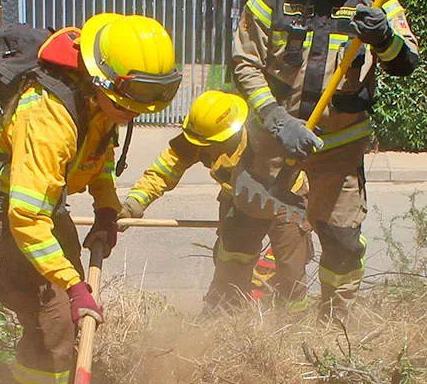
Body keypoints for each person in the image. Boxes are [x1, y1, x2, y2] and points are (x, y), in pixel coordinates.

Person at [0, 13, 179, 384]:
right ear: (104, 80)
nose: (135, 113)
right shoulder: (48, 117)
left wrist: (106, 208)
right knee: (52, 318)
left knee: (68, 312)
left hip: (41, 198)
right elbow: (26, 217)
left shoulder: (102, 101)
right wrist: (73, 287)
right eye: (131, 101)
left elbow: (98, 157)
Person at [232, 0, 418, 320]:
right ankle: (225, 311)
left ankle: (335, 327)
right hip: (274, 145)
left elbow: (406, 61)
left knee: (342, 240)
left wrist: (384, 37)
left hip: (338, 150)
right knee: (243, 229)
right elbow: (244, 65)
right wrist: (277, 120)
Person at [119, 91, 311, 312]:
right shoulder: (199, 136)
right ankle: (226, 316)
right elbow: (164, 171)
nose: (206, 149)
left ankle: (293, 322)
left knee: (291, 269)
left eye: (212, 143)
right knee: (231, 260)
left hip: (286, 200)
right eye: (202, 143)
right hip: (239, 202)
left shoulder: (263, 133)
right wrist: (133, 205)